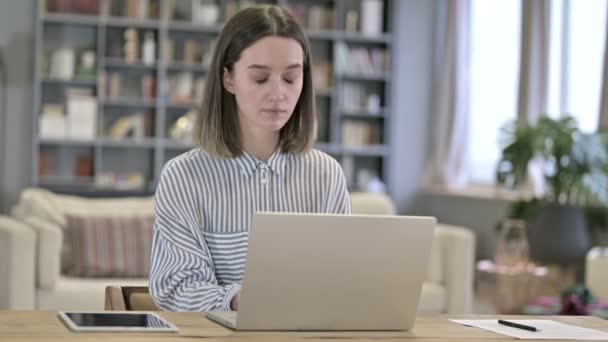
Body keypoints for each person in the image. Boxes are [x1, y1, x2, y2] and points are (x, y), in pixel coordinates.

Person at [149, 5, 351, 312]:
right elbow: (176, 287)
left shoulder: (326, 175)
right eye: (260, 78)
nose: (278, 94)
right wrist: (238, 299)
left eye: (290, 78)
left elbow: (342, 281)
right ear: (228, 79)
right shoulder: (183, 177)